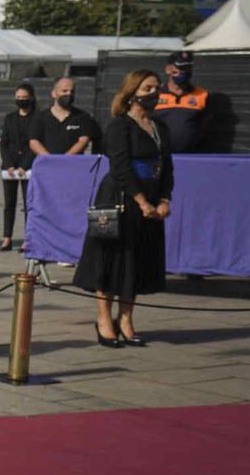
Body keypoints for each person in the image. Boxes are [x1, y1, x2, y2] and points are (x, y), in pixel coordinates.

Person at [74, 70, 172, 349]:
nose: (154, 93)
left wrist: (164, 199)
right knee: (110, 260)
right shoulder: (119, 126)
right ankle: (104, 320)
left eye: (157, 88)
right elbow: (120, 167)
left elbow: (167, 167)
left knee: (138, 260)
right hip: (119, 197)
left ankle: (126, 318)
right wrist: (142, 201)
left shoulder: (159, 128)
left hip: (152, 198)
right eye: (148, 88)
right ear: (132, 92)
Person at [0, 82, 38, 251]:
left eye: (24, 98)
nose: (21, 101)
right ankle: (7, 237)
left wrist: (25, 165)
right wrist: (9, 165)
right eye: (18, 98)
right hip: (10, 168)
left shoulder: (38, 118)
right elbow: (3, 143)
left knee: (29, 205)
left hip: (29, 166)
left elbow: (35, 144)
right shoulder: (10, 118)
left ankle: (28, 239)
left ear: (31, 98)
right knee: (9, 203)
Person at [153, 49, 210, 154]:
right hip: (158, 155)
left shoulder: (202, 95)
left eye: (188, 68)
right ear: (168, 69)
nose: (184, 72)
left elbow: (205, 128)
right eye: (180, 68)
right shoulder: (154, 94)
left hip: (190, 156)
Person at [28, 76, 99, 159]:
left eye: (72, 91)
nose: (69, 94)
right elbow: (34, 142)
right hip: (47, 166)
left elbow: (83, 141)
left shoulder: (83, 117)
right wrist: (50, 159)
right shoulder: (40, 117)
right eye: (64, 91)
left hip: (72, 166)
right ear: (54, 93)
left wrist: (64, 160)